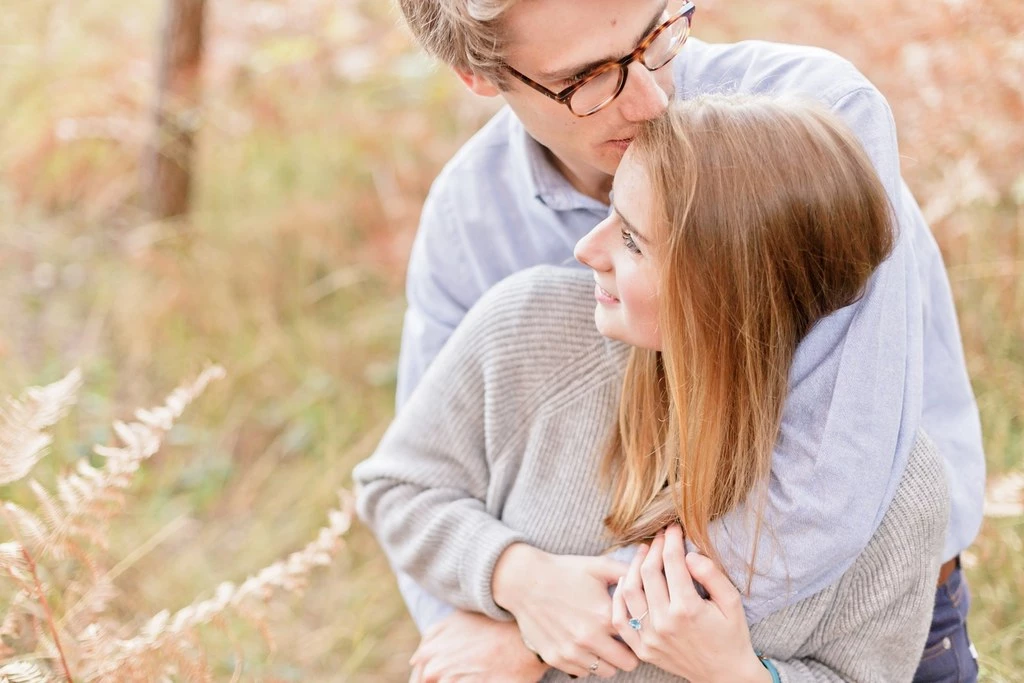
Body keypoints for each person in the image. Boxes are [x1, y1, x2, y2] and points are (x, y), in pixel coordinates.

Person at [389, 0, 984, 680]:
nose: (650, 100)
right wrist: (509, 590)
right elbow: (426, 475)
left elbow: (831, 482)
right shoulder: (472, 223)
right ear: (480, 74)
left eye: (657, 37)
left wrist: (563, 626)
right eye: (587, 77)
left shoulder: (821, 125)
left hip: (849, 613)